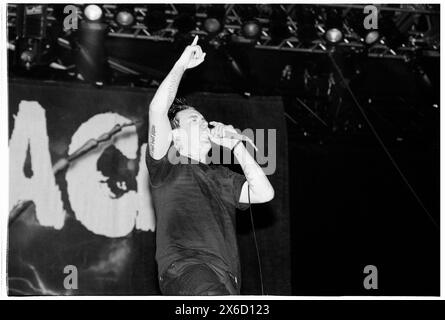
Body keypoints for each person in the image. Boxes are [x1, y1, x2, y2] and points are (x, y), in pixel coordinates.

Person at [146, 36, 274, 295]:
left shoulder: (222, 175)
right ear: (177, 136)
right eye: (194, 119)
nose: (204, 122)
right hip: (187, 267)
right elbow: (158, 110)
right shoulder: (166, 166)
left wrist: (237, 147)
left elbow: (264, 193)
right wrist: (181, 65)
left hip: (227, 276)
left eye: (204, 119)